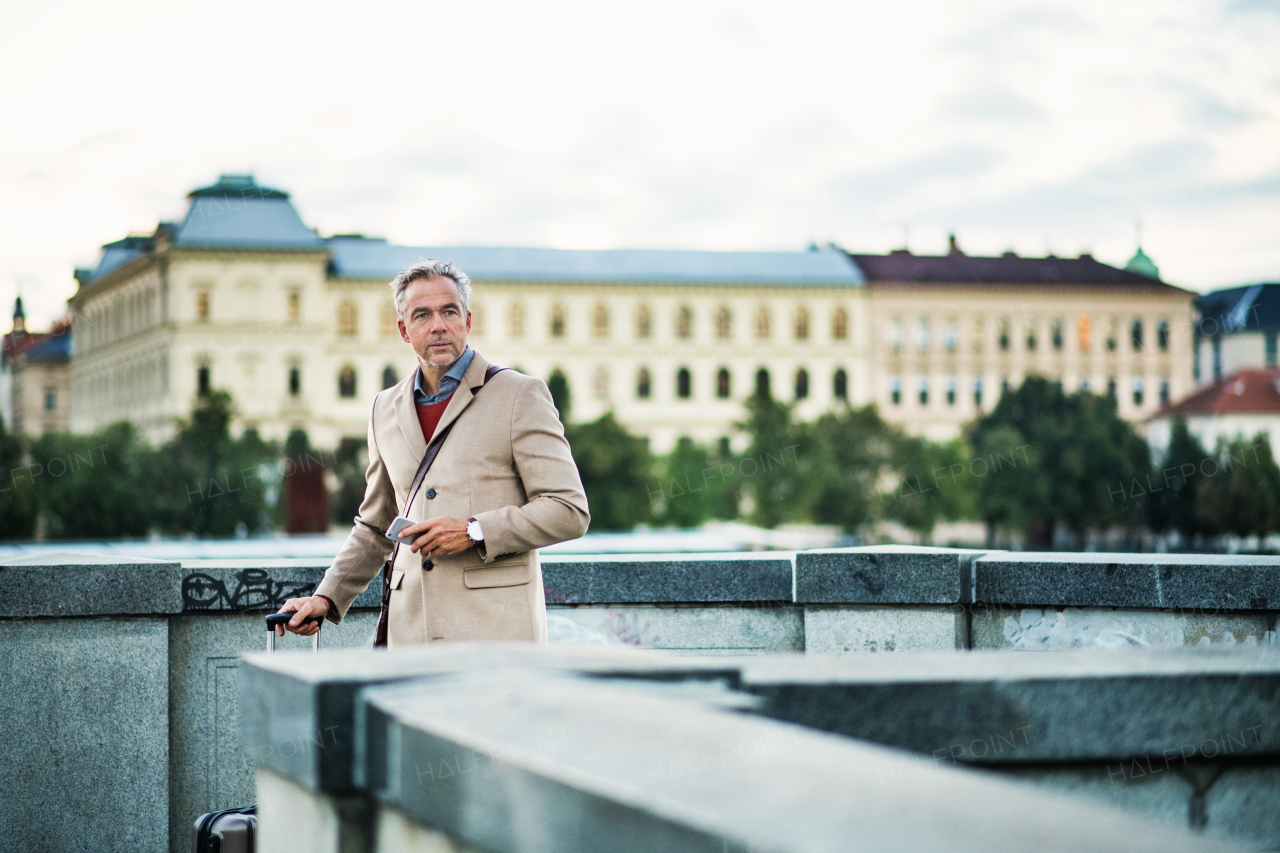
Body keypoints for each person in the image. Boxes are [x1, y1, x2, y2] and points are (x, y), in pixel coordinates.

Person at [274, 260, 589, 645]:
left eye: (449, 312)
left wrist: (474, 531)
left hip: (497, 634)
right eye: (422, 315)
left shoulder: (519, 395)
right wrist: (326, 597)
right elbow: (376, 526)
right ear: (404, 330)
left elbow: (568, 509)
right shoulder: (382, 409)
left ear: (467, 320)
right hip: (410, 634)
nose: (438, 325)